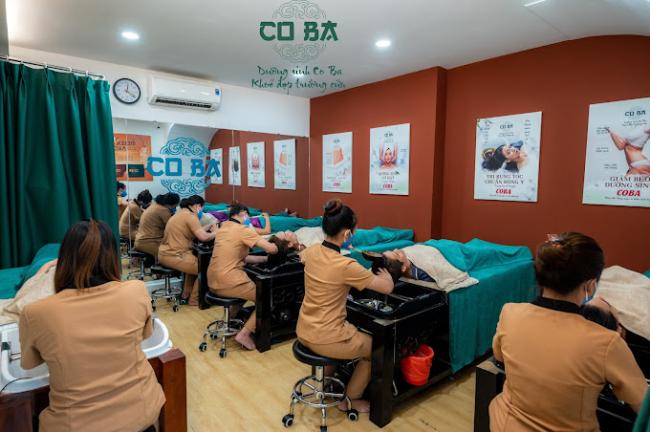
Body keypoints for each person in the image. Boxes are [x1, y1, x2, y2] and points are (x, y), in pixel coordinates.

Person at [489, 232, 648, 431]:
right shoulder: (606, 342)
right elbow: (643, 405)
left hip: (504, 424)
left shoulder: (510, 313)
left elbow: (499, 356)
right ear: (590, 285)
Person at [18, 220, 165, 432]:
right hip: (141, 413)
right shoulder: (136, 291)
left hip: (76, 425)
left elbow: (29, 363)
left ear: (64, 260)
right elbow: (144, 334)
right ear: (112, 257)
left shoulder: (37, 313)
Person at [297, 199, 394, 413]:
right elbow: (386, 288)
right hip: (325, 337)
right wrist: (388, 275)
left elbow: (302, 255)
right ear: (348, 233)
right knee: (376, 347)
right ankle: (350, 400)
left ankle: (325, 384)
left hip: (304, 329)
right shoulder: (346, 265)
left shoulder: (311, 252)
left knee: (346, 332)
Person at [207, 202, 280, 350]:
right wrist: (283, 244)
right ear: (244, 214)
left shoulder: (223, 228)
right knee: (266, 298)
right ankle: (244, 334)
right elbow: (272, 249)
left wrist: (264, 259)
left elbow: (238, 257)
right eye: (248, 216)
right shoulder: (243, 230)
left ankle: (228, 322)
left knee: (244, 293)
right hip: (229, 281)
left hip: (213, 279)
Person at [158, 195, 217, 306]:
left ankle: (186, 295)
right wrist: (216, 232)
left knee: (195, 264)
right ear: (197, 206)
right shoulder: (191, 216)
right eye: (202, 208)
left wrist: (208, 226)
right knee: (206, 269)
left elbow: (194, 231)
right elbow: (203, 237)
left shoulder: (180, 213)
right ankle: (194, 300)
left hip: (167, 253)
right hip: (175, 255)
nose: (202, 211)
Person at [134, 192, 180, 258]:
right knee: (173, 255)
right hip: (148, 243)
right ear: (170, 204)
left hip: (142, 240)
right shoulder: (163, 210)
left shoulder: (155, 206)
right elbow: (172, 228)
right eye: (175, 206)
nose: (175, 208)